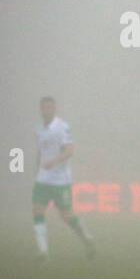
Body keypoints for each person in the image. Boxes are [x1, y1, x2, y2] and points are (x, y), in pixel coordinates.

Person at [32, 96, 95, 261]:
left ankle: (87, 238)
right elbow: (40, 151)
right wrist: (37, 170)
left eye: (50, 108)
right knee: (37, 209)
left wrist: (53, 162)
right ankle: (43, 251)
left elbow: (70, 151)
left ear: (54, 109)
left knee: (66, 215)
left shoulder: (62, 127)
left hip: (60, 180)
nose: (47, 111)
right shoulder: (38, 128)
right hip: (42, 179)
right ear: (41, 110)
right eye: (44, 108)